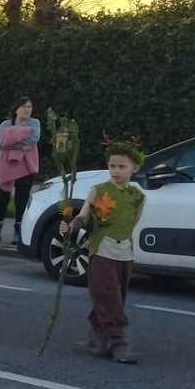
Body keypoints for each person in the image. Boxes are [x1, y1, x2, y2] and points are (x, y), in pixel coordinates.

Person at [61, 142, 145, 364]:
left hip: (125, 252)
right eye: (112, 166)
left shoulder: (137, 196)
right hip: (101, 251)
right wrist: (71, 226)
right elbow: (84, 216)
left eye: (121, 167)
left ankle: (98, 335)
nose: (116, 171)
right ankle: (118, 340)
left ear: (134, 168)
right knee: (107, 293)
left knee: (118, 295)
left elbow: (132, 223)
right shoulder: (98, 191)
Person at [0, 99, 41, 244]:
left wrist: (10, 139)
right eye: (24, 106)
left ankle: (19, 232)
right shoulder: (5, 124)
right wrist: (19, 140)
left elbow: (33, 139)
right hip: (6, 166)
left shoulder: (35, 123)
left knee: (22, 199)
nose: (27, 109)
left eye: (29, 107)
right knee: (1, 198)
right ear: (16, 109)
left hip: (26, 166)